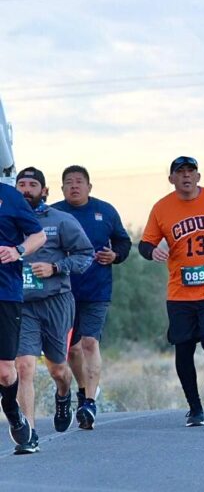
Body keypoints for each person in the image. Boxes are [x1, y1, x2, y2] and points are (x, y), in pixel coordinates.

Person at [139, 157, 204, 426]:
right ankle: (194, 406)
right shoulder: (162, 208)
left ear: (198, 176)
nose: (186, 176)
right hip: (180, 291)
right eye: (180, 172)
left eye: (191, 172)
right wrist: (154, 251)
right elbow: (144, 244)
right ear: (171, 179)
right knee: (183, 348)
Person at [14, 167, 93, 453]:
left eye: (32, 185)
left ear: (44, 191)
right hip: (21, 305)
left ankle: (63, 394)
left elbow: (86, 255)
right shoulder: (6, 222)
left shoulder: (61, 221)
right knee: (24, 367)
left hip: (56, 302)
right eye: (21, 184)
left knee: (58, 369)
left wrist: (56, 267)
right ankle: (28, 434)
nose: (26, 189)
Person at [52, 165, 132, 429]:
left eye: (79, 182)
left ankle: (89, 404)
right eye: (69, 182)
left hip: (97, 289)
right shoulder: (55, 213)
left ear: (89, 186)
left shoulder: (105, 211)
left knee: (89, 343)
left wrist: (115, 255)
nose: (74, 186)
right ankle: (84, 389)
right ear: (62, 188)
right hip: (62, 291)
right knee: (71, 350)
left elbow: (123, 242)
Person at [0, 176, 46, 451]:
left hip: (5, 292)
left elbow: (38, 236)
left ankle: (14, 414)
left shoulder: (10, 197)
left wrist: (17, 251)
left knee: (5, 372)